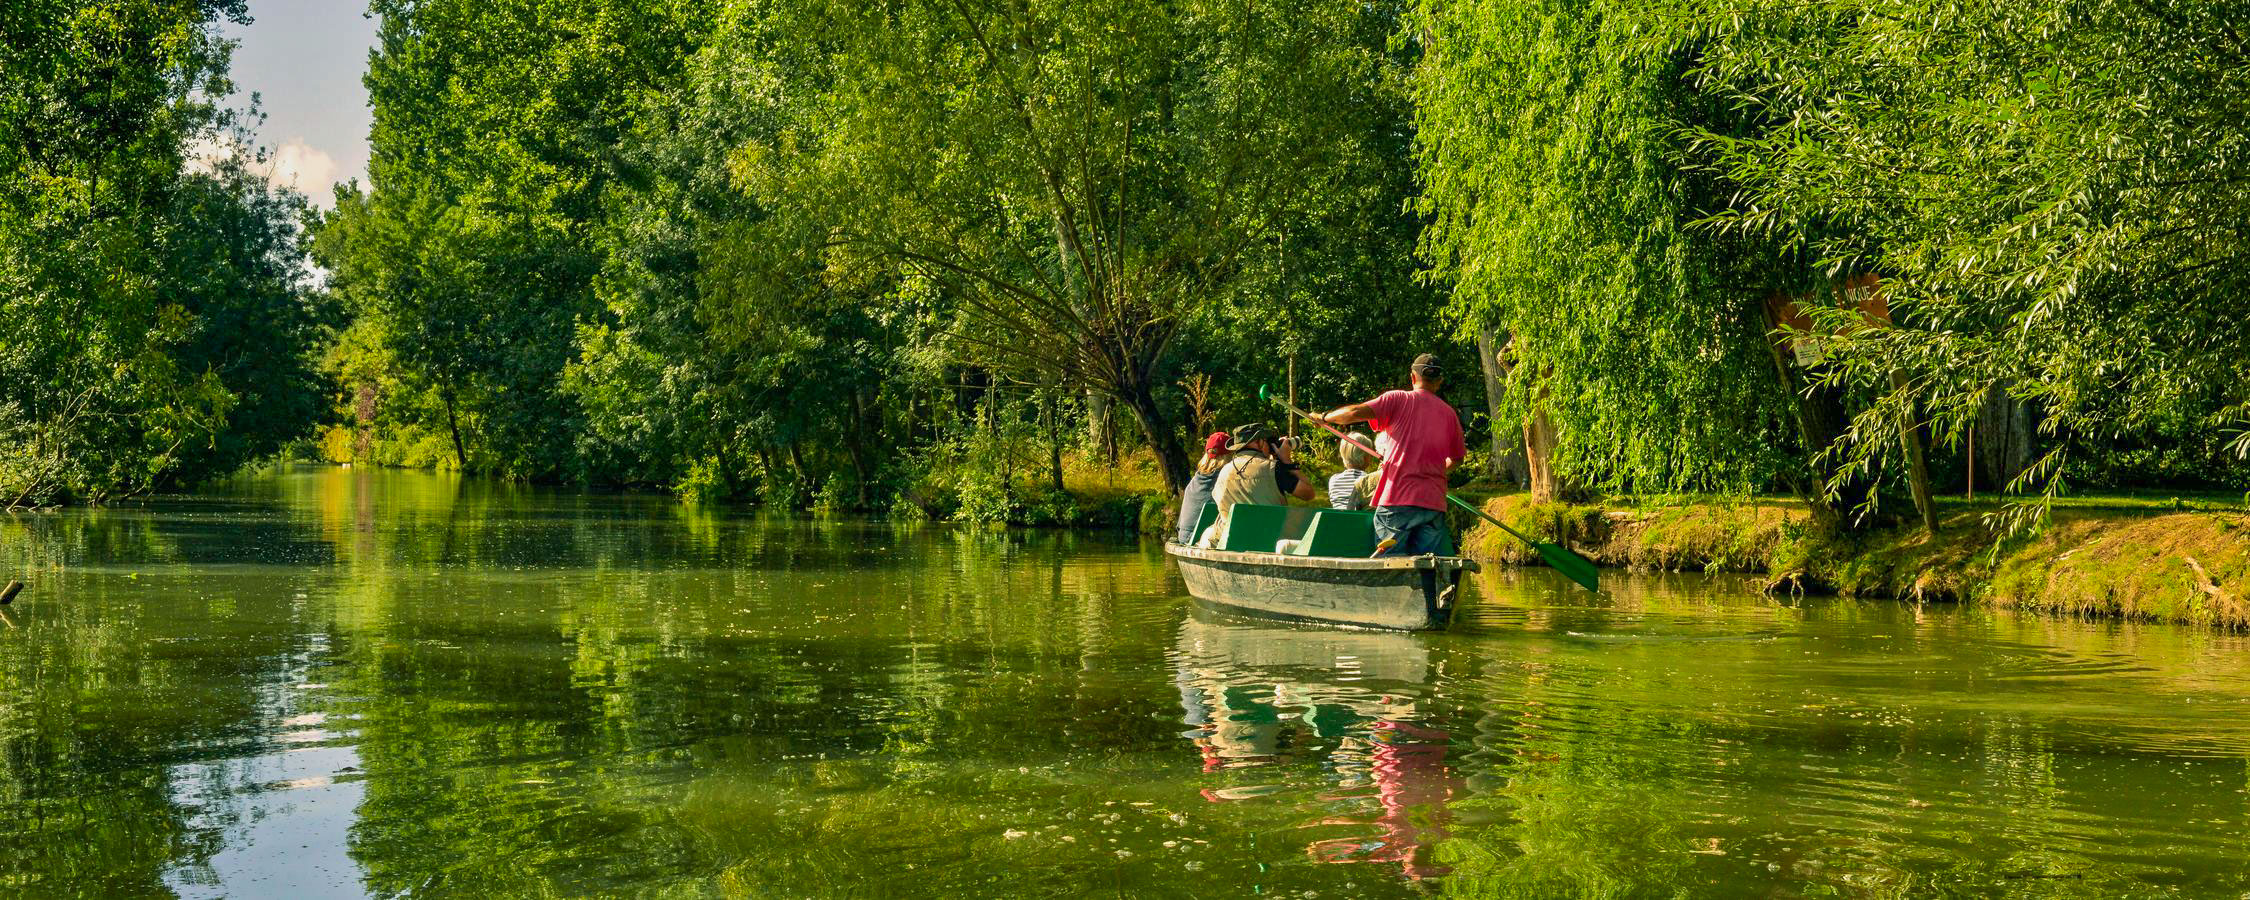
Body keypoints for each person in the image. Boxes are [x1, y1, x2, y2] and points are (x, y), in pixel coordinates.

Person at [1315, 354, 1466, 556]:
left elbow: (1353, 413)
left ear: (1413, 377)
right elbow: (1457, 459)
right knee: (1430, 563)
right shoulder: (1449, 414)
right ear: (1439, 381)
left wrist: (1324, 417)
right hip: (1433, 504)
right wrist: (1434, 473)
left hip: (1397, 501)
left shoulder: (1397, 399)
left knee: (1390, 561)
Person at [1196, 423, 1316, 548]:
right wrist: (1287, 461)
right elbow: (1308, 493)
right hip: (1269, 541)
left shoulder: (1224, 471)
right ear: (1259, 442)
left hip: (1232, 542)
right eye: (1267, 441)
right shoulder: (1274, 469)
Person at [1174, 432, 1233, 544]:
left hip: (1184, 537)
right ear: (1229, 454)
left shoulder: (1195, 479)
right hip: (1202, 539)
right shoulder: (1225, 478)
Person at [1326, 430, 1377, 510]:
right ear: (1365, 457)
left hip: (1337, 516)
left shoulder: (1333, 480)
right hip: (1358, 517)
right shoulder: (1368, 481)